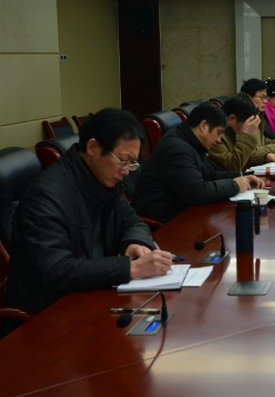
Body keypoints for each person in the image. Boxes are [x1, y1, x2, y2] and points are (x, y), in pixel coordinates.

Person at [3, 108, 172, 336]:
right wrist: (130, 268)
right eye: (123, 161)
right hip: (50, 320)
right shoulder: (46, 196)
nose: (126, 172)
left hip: (93, 299)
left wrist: (134, 243)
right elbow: (55, 271)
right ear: (93, 147)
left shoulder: (103, 180)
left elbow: (133, 220)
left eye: (132, 164)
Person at [132, 102, 264, 223]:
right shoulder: (177, 149)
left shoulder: (191, 141)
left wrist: (243, 176)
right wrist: (234, 185)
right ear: (203, 126)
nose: (219, 140)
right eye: (219, 133)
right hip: (163, 219)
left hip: (181, 208)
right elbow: (198, 192)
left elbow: (210, 174)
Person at [208, 93, 275, 171]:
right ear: (232, 119)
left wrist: (264, 157)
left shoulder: (233, 130)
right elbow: (233, 164)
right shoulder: (216, 136)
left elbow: (245, 155)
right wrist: (246, 134)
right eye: (246, 125)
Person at [240, 78, 275, 153]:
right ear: (249, 97)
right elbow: (248, 151)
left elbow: (263, 140)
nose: (265, 101)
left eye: (266, 97)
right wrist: (272, 149)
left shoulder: (258, 115)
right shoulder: (242, 119)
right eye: (262, 97)